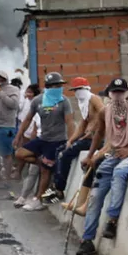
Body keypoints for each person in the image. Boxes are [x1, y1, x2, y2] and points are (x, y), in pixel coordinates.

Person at [77, 78, 128, 255]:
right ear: (110, 94)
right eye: (114, 92)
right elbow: (99, 135)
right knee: (95, 194)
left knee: (119, 173)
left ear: (127, 93)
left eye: (121, 92)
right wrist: (90, 156)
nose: (118, 95)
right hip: (112, 155)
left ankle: (112, 220)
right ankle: (87, 240)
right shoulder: (105, 112)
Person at [15, 72, 71, 211]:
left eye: (60, 85)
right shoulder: (38, 101)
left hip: (57, 140)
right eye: (56, 85)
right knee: (20, 154)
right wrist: (19, 135)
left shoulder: (64, 101)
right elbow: (28, 119)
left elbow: (69, 122)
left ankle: (39, 199)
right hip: (42, 138)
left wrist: (71, 140)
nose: (59, 88)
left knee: (45, 172)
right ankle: (45, 162)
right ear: (48, 87)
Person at [53, 77, 105, 207]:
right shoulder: (83, 104)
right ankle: (56, 184)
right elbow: (82, 125)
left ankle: (60, 188)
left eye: (78, 89)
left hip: (95, 140)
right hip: (85, 138)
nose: (77, 93)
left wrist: (93, 128)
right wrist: (71, 140)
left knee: (65, 155)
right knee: (60, 150)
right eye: (74, 90)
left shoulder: (94, 99)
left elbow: (104, 114)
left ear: (85, 89)